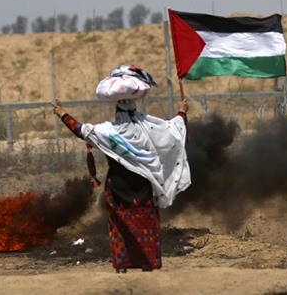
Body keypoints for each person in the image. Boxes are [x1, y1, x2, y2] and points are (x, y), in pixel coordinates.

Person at [52, 64, 190, 273]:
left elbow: (80, 130)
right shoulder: (149, 127)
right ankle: (147, 262)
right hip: (144, 185)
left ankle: (122, 266)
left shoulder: (109, 131)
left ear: (117, 111)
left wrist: (61, 113)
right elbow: (174, 129)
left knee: (119, 225)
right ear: (135, 108)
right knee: (146, 224)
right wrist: (182, 110)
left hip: (118, 186)